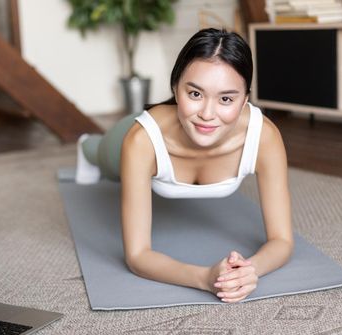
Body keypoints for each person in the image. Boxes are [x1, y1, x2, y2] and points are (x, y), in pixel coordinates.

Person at [75, 28, 293, 303]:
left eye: (226, 99)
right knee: (100, 155)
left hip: (171, 125)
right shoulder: (141, 140)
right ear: (176, 88)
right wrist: (204, 278)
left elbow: (282, 241)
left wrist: (248, 271)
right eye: (195, 94)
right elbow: (137, 255)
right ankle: (86, 146)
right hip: (126, 137)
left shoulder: (264, 136)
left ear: (245, 100)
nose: (207, 114)